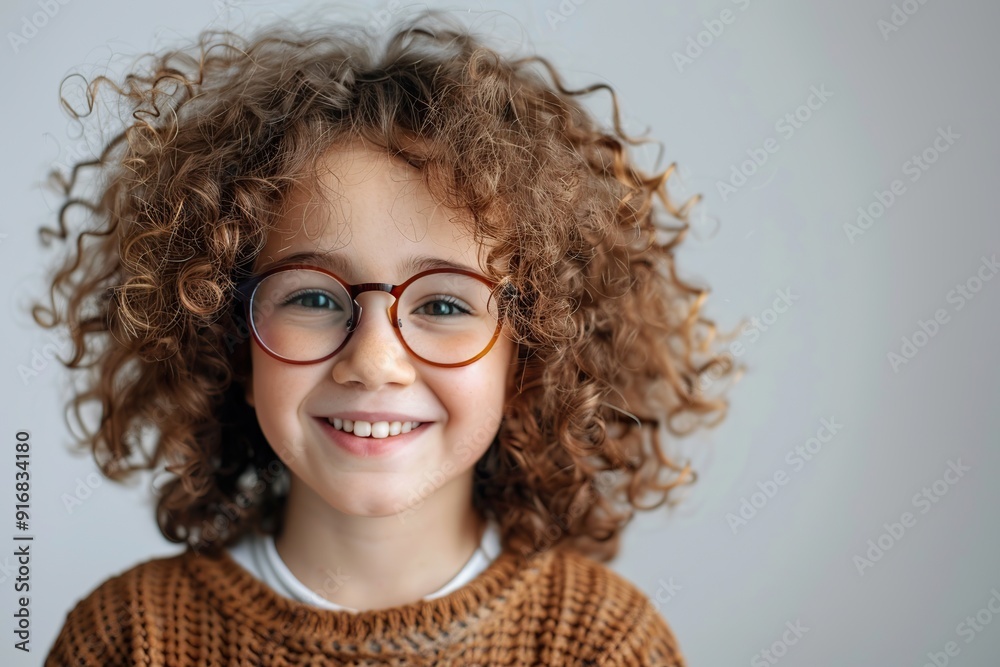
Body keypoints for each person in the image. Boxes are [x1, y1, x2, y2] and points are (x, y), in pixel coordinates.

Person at [35, 8, 738, 666]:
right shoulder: (129, 637)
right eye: (312, 296)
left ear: (530, 357)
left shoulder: (599, 642)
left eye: (444, 304)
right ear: (232, 343)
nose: (374, 361)